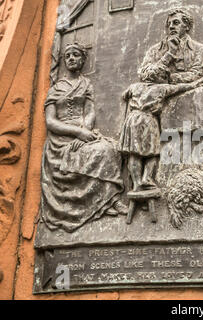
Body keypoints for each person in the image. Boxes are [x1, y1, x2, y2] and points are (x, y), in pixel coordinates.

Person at [41, 43, 127, 232]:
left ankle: (108, 201)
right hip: (62, 139)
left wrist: (85, 129)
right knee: (99, 151)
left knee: (111, 149)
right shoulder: (56, 88)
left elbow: (90, 112)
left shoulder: (85, 84)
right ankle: (96, 205)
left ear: (82, 60)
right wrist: (77, 133)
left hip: (84, 132)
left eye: (75, 55)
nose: (71, 58)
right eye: (68, 56)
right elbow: (50, 122)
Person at [119, 67, 203, 191]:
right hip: (148, 120)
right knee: (154, 152)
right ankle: (147, 178)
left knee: (134, 153)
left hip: (132, 119)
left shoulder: (135, 86)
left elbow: (124, 95)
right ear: (159, 77)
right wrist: (197, 83)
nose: (167, 80)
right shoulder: (162, 88)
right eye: (165, 77)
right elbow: (182, 88)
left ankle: (136, 183)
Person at [138, 8, 203, 84]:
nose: (171, 27)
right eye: (168, 24)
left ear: (187, 26)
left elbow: (197, 74)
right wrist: (169, 54)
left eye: (176, 23)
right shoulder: (154, 50)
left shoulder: (199, 48)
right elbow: (143, 75)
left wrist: (166, 78)